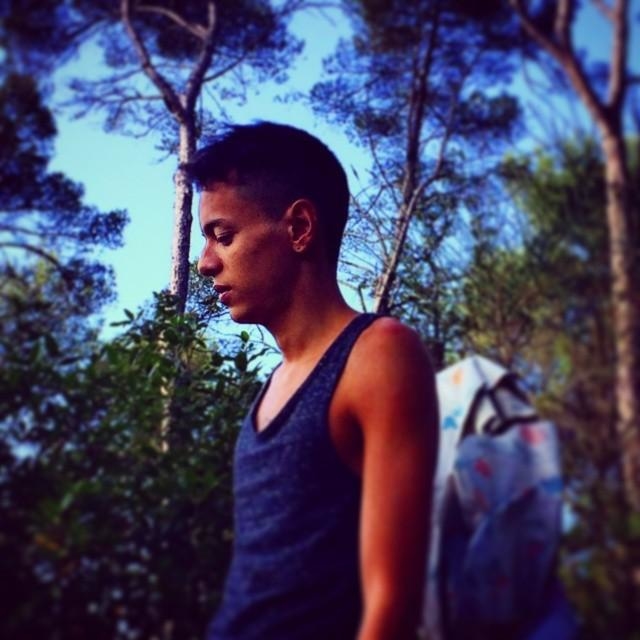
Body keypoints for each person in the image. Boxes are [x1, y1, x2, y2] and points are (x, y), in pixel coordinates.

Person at [185, 121, 439, 640]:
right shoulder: (275, 382)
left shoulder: (379, 355)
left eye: (223, 236)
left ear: (300, 227)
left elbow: (392, 604)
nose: (205, 262)